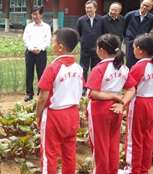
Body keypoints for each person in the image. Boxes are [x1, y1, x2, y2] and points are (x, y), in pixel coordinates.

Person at [85, 34, 136, 174]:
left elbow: (94, 93)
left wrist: (113, 96)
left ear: (101, 50)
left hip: (100, 110)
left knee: (100, 146)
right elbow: (131, 89)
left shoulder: (99, 68)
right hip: (116, 109)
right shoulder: (123, 68)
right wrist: (121, 102)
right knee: (113, 144)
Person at [35, 28, 84, 173]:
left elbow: (42, 97)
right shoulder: (79, 68)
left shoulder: (53, 68)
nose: (52, 45)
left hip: (55, 115)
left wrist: (37, 114)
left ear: (60, 47)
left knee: (49, 154)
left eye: (53, 42)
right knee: (69, 153)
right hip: (73, 114)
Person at [124, 35, 153, 174]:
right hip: (151, 101)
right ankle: (143, 168)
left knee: (134, 138)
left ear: (141, 50)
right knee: (147, 137)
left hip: (140, 102)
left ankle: (132, 169)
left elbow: (129, 87)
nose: (133, 50)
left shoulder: (139, 66)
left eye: (134, 47)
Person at [76, 0, 106, 95]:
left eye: (90, 8)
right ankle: (83, 87)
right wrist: (82, 41)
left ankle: (94, 86)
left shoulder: (101, 19)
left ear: (95, 9)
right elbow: (78, 33)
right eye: (87, 8)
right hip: (85, 48)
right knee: (83, 68)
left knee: (95, 69)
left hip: (97, 49)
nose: (88, 10)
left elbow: (104, 33)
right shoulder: (81, 20)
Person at [23, 6, 51, 102]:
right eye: (33, 14)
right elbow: (25, 39)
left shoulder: (46, 27)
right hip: (30, 52)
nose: (34, 16)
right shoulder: (29, 27)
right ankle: (29, 93)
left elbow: (47, 41)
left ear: (41, 15)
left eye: (36, 14)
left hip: (41, 53)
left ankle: (40, 93)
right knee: (29, 73)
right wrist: (32, 48)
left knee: (41, 73)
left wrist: (40, 48)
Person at [124, 0, 153, 68]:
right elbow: (124, 26)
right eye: (143, 5)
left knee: (140, 61)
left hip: (142, 42)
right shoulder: (130, 14)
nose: (144, 7)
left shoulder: (151, 17)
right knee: (130, 61)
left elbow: (149, 28)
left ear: (151, 8)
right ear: (141, 4)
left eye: (147, 6)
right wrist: (127, 36)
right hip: (130, 41)